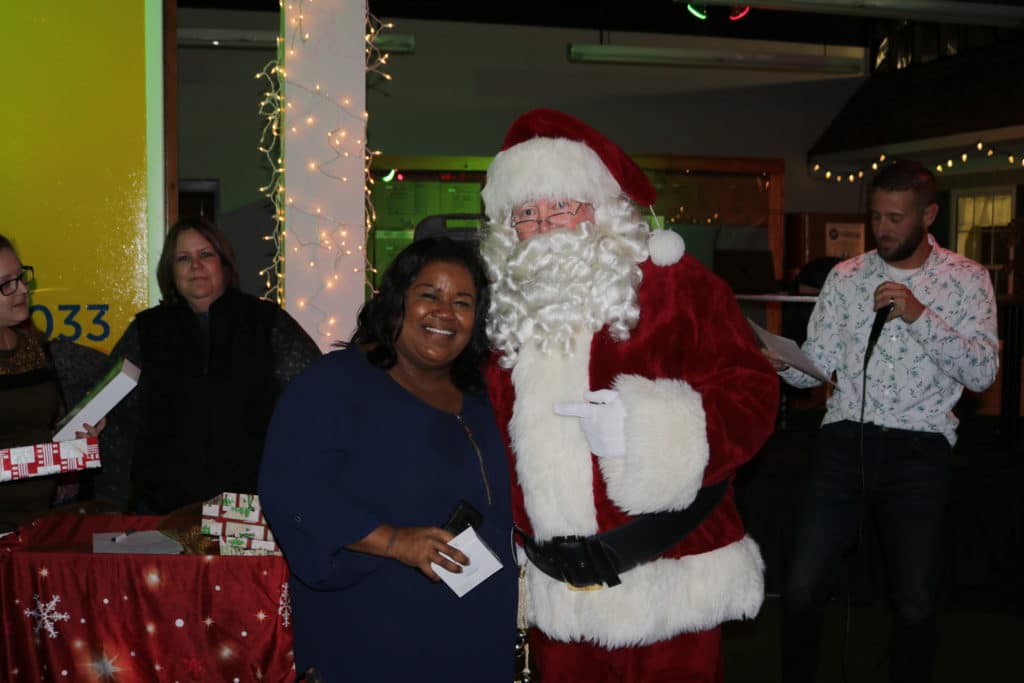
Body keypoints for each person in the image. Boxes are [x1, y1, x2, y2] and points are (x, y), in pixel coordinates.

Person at [479, 109, 779, 682]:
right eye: (527, 214)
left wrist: (654, 436)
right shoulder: (502, 312)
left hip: (672, 580)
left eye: (562, 206)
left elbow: (752, 390)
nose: (545, 226)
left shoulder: (676, 284)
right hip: (559, 599)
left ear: (599, 211)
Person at [770, 160, 999, 682]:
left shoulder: (967, 279)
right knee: (803, 588)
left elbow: (983, 372)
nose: (884, 229)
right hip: (843, 439)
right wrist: (788, 366)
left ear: (929, 215)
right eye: (877, 217)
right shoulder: (846, 277)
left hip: (921, 449)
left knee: (915, 602)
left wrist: (920, 315)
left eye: (896, 218)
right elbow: (820, 367)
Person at [258, 236, 516, 682]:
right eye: (429, 295)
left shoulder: (485, 395)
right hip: (375, 627)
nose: (444, 312)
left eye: (462, 302)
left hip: (477, 627)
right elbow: (292, 488)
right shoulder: (336, 384)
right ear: (397, 300)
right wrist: (395, 542)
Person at [105, 217, 319, 513]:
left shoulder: (267, 323)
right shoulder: (146, 331)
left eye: (206, 255)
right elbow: (114, 421)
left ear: (225, 264)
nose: (195, 266)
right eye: (183, 258)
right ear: (171, 271)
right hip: (164, 511)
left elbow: (315, 400)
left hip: (252, 509)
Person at [0, 235, 102, 531]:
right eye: (6, 283)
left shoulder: (34, 343)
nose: (22, 290)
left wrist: (78, 436)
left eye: (21, 277)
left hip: (37, 522)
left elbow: (40, 429)